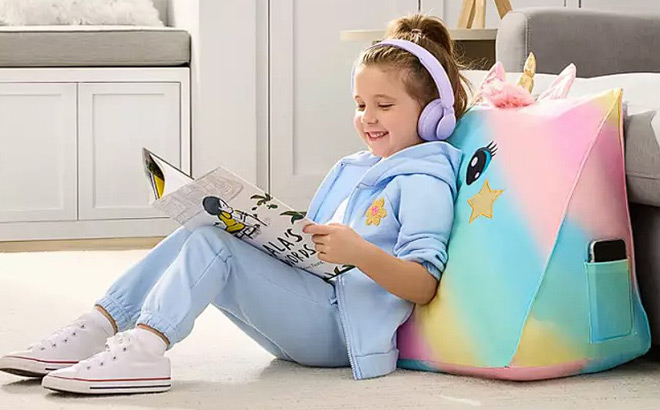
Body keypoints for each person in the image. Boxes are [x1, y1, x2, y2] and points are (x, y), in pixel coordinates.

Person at [0, 13, 470, 394]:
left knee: (215, 247)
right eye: (359, 104)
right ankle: (98, 325)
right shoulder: (355, 167)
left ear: (431, 114)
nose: (367, 118)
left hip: (345, 330)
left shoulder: (425, 179)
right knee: (203, 226)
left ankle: (144, 350)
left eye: (383, 106)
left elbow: (424, 285)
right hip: (315, 307)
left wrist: (357, 252)